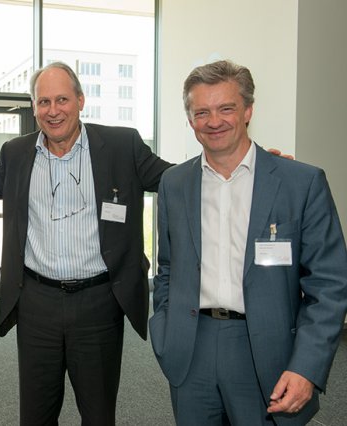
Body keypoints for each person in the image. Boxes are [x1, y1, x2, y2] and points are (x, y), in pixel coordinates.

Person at [0, 61, 172, 425]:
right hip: (36, 304)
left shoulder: (121, 145)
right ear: (34, 107)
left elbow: (174, 179)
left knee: (98, 413)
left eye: (62, 99)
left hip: (99, 303)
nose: (53, 110)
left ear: (80, 100)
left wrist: (234, 162)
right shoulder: (16, 152)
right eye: (43, 102)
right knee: (36, 414)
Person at [149, 60, 347, 425]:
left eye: (226, 108)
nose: (214, 121)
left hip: (267, 351)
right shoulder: (174, 184)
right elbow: (168, 268)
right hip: (191, 349)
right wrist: (164, 330)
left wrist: (306, 366)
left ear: (248, 111)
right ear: (190, 120)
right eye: (201, 112)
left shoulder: (300, 183)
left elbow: (329, 285)